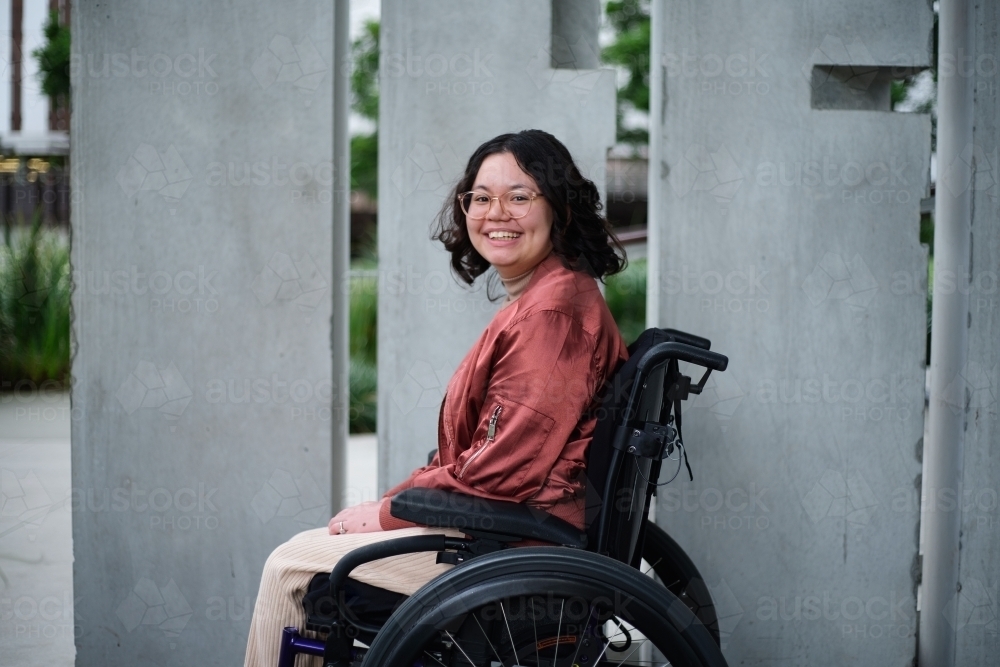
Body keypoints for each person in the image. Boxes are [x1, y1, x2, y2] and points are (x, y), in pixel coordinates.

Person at [243, 129, 628, 667]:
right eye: (481, 197)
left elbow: (501, 471)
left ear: (559, 207)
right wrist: (392, 508)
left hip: (516, 548)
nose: (497, 212)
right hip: (502, 530)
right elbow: (488, 458)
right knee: (318, 544)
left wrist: (388, 514)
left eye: (519, 196)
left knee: (291, 566)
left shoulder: (551, 314)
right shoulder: (550, 297)